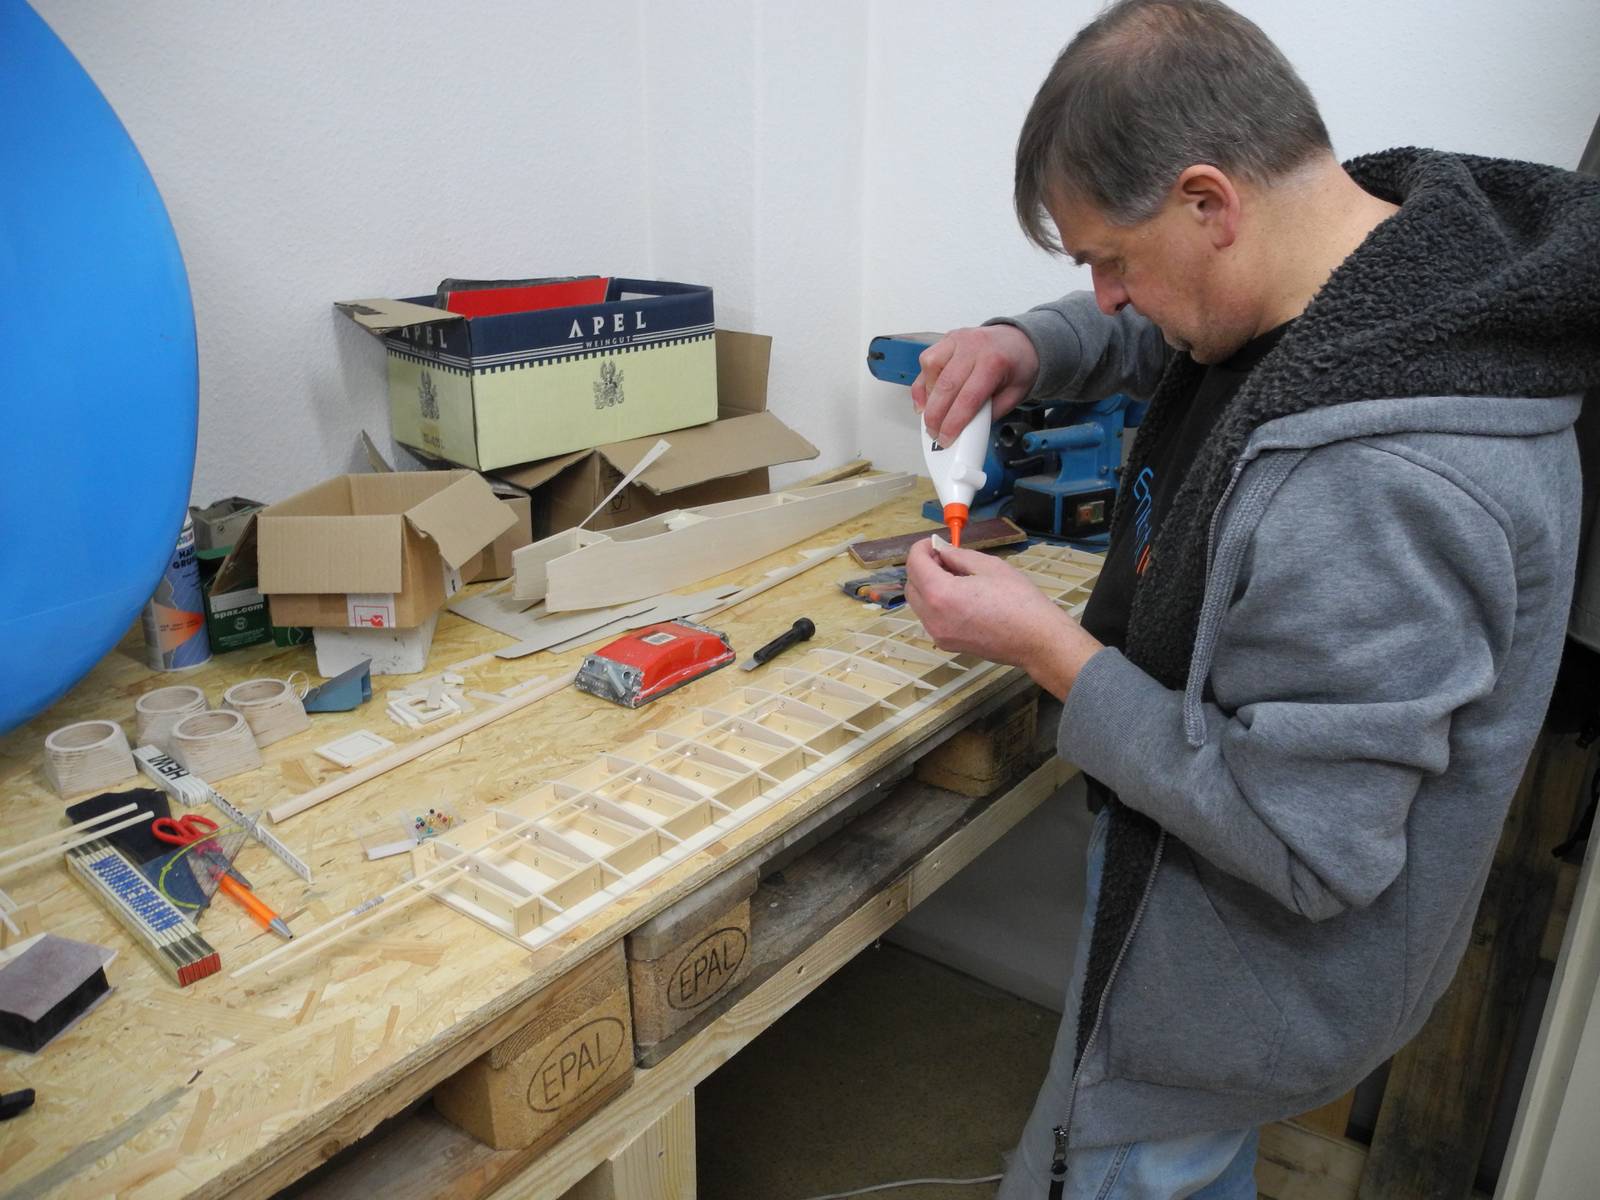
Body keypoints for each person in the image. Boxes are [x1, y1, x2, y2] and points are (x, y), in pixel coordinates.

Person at [901, 2, 1600, 1197]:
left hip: (1236, 978)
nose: (1106, 298)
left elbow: (1301, 845)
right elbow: (1196, 336)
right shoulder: (1376, 271)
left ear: (1208, 203)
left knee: (1119, 1162)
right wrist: (1029, 343)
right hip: (1194, 906)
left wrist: (1050, 652)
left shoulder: (1384, 483)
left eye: (1110, 262)